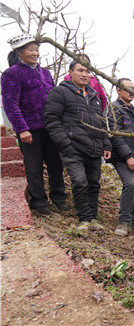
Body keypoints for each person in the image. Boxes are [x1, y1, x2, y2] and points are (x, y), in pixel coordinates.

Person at [1, 34, 68, 216]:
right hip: (29, 129)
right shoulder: (11, 74)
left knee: (56, 164)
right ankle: (39, 202)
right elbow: (10, 103)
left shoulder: (45, 72)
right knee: (34, 167)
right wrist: (22, 129)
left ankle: (59, 198)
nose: (35, 53)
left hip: (51, 127)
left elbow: (54, 98)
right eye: (30, 49)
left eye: (36, 49)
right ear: (18, 52)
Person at [44, 60, 112, 233]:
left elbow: (101, 124)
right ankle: (84, 219)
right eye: (80, 70)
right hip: (73, 147)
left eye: (88, 71)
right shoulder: (60, 92)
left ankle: (93, 219)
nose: (84, 74)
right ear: (70, 72)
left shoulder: (94, 96)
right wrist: (65, 143)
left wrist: (106, 145)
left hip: (94, 148)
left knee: (93, 184)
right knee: (80, 182)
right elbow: (51, 120)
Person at [106, 78, 134, 238]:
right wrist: (128, 157)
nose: (131, 91)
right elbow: (115, 136)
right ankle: (123, 223)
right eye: (127, 88)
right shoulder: (113, 109)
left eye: (133, 88)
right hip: (122, 157)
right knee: (130, 184)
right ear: (118, 90)